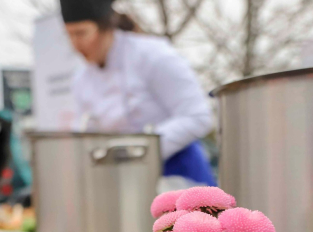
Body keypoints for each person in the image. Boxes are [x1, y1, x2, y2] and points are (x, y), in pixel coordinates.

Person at [62, 0, 216, 189]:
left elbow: (198, 117)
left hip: (179, 173)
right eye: (69, 35)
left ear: (105, 27)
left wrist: (135, 150)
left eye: (81, 33)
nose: (75, 44)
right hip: (123, 181)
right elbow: (84, 133)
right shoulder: (81, 79)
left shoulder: (153, 55)